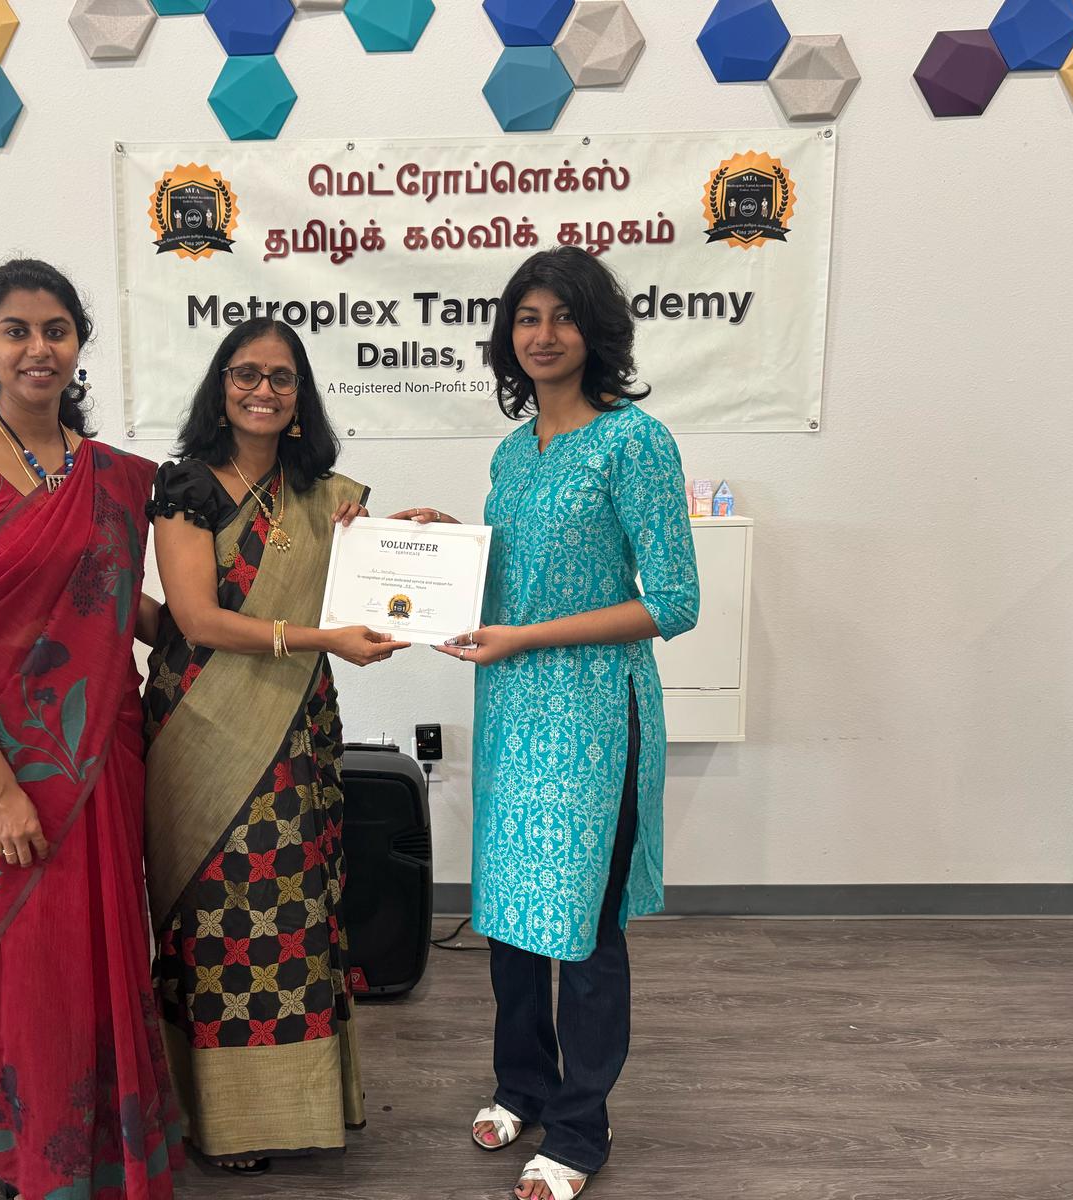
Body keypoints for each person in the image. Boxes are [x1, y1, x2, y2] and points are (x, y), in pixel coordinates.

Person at [396, 247, 698, 1199]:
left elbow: (675, 602)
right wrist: (446, 543)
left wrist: (528, 637)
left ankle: (578, 1128)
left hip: (594, 713)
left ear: (595, 329)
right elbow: (519, 573)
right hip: (511, 710)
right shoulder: (512, 451)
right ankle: (521, 1084)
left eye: (563, 315)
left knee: (584, 929)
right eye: (526, 317)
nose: (543, 334)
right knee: (513, 916)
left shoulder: (634, 441)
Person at [0, 259, 182, 1200]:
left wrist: (331, 569)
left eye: (56, 330)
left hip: (100, 758)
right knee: (28, 973)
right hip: (5, 774)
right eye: (16, 330)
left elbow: (123, 602)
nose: (38, 348)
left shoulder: (112, 475)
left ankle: (108, 1154)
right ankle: (36, 1164)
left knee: (104, 958)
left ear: (79, 345)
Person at [142, 318, 408, 1174]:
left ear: (301, 394)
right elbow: (195, 621)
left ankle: (304, 1103)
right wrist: (322, 640)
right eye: (246, 373)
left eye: (281, 377)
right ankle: (218, 1120)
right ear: (221, 386)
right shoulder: (186, 484)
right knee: (215, 917)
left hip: (297, 727)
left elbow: (365, 584)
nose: (263, 390)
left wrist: (408, 541)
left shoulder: (322, 495)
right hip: (202, 724)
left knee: (296, 908)